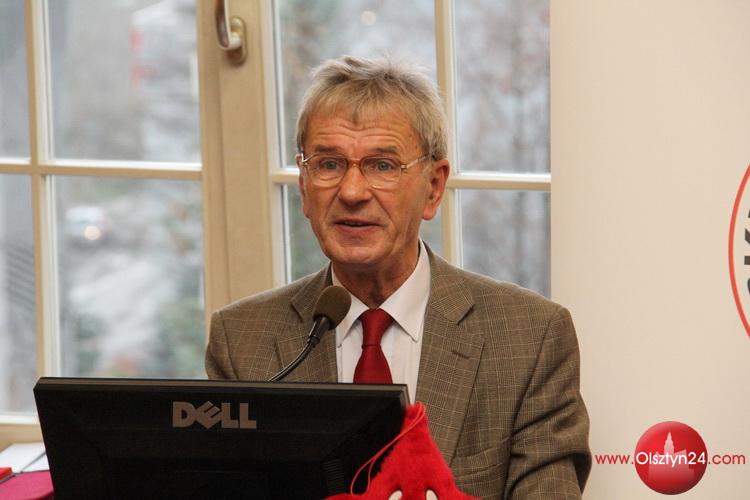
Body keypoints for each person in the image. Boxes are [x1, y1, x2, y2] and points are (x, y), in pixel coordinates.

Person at [206, 55, 591, 499]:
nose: (352, 192)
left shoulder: (529, 338)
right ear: (304, 187)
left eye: (382, 166)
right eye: (329, 164)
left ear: (433, 188)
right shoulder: (242, 341)